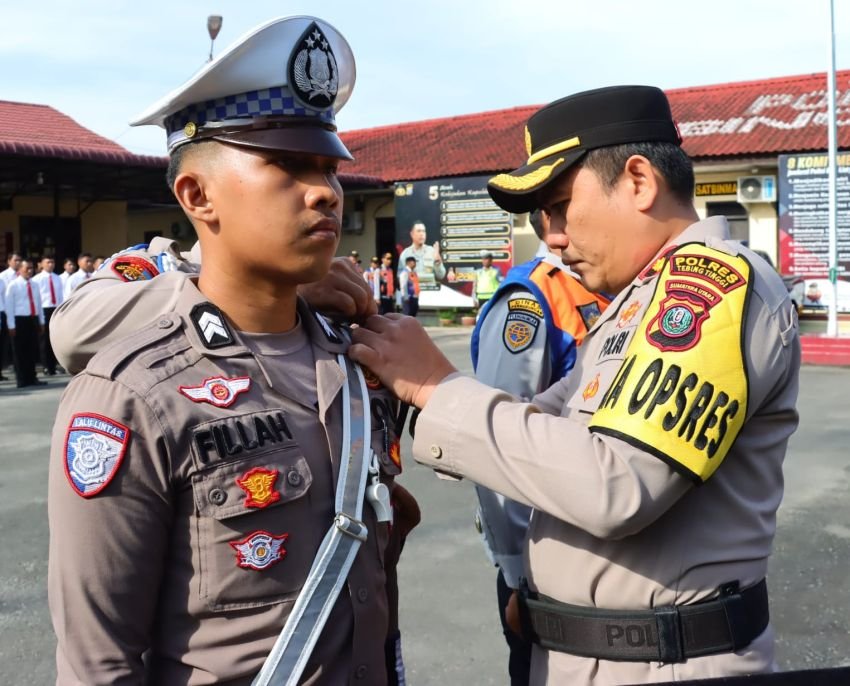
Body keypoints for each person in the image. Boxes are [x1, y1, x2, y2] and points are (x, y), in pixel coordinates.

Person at [350, 85, 800, 685]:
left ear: (638, 181)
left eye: (561, 206)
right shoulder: (632, 304)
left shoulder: (709, 287)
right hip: (595, 651)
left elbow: (616, 484)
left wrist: (436, 385)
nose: (553, 237)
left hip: (666, 661)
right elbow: (542, 430)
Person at [48, 16, 418, 685]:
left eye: (331, 169)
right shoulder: (135, 395)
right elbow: (99, 663)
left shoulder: (356, 361)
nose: (325, 191)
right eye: (289, 166)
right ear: (196, 195)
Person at [470, 209, 609, 685]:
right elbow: (499, 444)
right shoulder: (531, 300)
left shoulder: (616, 285)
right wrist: (516, 574)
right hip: (540, 568)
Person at [5, 259, 46, 387]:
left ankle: (32, 377)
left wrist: (41, 321)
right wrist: (11, 325)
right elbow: (9, 306)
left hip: (32, 319)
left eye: (31, 268)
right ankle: (21, 379)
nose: (30, 271)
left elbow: (38, 303)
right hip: (19, 320)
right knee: (19, 351)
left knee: (32, 350)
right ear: (19, 269)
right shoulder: (13, 285)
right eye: (26, 268)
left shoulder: (34, 284)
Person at [31, 256, 64, 375]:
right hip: (44, 309)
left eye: (52, 262)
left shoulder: (57, 278)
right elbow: (36, 298)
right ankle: (45, 366)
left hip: (55, 308)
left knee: (54, 338)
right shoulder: (37, 279)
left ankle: (53, 365)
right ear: (41, 264)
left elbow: (61, 295)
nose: (51, 264)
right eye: (48, 262)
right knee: (44, 339)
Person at [398, 221, 445, 290]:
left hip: (430, 295)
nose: (421, 234)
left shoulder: (432, 251)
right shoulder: (405, 254)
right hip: (414, 296)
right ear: (412, 234)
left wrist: (437, 261)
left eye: (423, 231)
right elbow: (400, 279)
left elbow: (441, 276)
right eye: (419, 231)